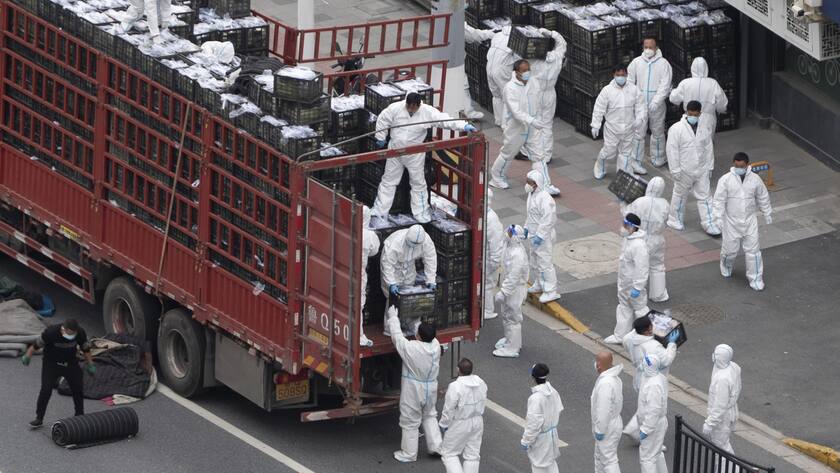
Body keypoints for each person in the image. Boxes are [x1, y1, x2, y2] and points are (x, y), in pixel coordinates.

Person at [373, 93, 476, 223]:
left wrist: (463, 125)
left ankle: (420, 213)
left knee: (418, 184)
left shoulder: (427, 112)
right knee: (388, 181)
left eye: (413, 107)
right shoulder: (395, 108)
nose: (410, 110)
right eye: (408, 107)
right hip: (395, 151)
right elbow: (383, 119)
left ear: (418, 105)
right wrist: (380, 137)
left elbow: (443, 120)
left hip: (415, 154)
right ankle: (379, 212)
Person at [488, 60, 561, 196]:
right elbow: (516, 112)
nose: (527, 73)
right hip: (516, 127)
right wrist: (532, 120)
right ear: (516, 72)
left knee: (539, 156)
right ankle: (497, 177)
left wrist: (537, 118)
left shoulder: (533, 82)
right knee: (508, 153)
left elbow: (538, 100)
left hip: (532, 127)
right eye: (524, 70)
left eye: (528, 69)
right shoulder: (510, 88)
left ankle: (545, 184)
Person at [386, 307, 442, 462]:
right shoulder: (436, 345)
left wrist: (393, 317)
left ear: (418, 336)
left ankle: (409, 454)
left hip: (414, 389)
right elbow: (425, 333)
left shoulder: (411, 348)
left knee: (410, 421)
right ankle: (436, 446)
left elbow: (397, 337)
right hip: (431, 387)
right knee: (430, 415)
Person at [713, 153, 773, 291]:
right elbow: (719, 200)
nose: (739, 168)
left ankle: (756, 279)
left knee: (753, 251)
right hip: (731, 222)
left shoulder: (755, 179)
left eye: (742, 166)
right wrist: (717, 217)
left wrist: (767, 212)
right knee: (730, 251)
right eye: (736, 166)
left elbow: (762, 196)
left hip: (749, 220)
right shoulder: (725, 180)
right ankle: (726, 265)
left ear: (747, 165)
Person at [21, 319, 95, 428]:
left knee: (78, 387)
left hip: (70, 363)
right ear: (63, 329)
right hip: (51, 363)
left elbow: (86, 349)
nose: (71, 336)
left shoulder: (80, 332)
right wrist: (28, 355)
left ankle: (79, 415)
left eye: (73, 334)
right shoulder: (51, 332)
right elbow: (37, 345)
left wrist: (90, 364)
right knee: (46, 390)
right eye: (69, 333)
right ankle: (39, 418)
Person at [665, 100, 720, 235]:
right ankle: (674, 219)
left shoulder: (704, 128)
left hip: (701, 169)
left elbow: (708, 148)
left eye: (695, 114)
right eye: (690, 114)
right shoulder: (676, 129)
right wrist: (675, 169)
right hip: (684, 170)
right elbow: (672, 150)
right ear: (686, 112)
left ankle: (709, 223)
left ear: (700, 113)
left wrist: (709, 167)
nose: (693, 116)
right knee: (680, 195)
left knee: (705, 197)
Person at [621, 316, 679, 442]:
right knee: (652, 406)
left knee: (644, 405)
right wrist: (672, 344)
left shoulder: (629, 339)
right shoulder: (653, 346)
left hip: (639, 377)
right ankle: (645, 435)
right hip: (653, 378)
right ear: (648, 329)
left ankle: (633, 430)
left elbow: (627, 339)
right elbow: (666, 360)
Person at [527, 28, 568, 195]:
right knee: (547, 125)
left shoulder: (534, 61)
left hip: (536, 94)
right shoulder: (557, 57)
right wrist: (551, 33)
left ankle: (539, 152)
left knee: (536, 124)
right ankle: (547, 153)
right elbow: (562, 43)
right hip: (550, 93)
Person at [591, 65, 646, 180]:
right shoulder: (607, 91)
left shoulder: (634, 89)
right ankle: (600, 165)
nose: (621, 77)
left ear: (627, 75)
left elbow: (641, 105)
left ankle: (623, 174)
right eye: (618, 75)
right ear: (614, 75)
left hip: (629, 127)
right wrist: (596, 124)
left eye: (623, 75)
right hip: (612, 128)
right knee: (609, 151)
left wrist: (639, 119)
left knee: (626, 153)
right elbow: (599, 108)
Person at [380, 224, 437, 335]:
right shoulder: (395, 243)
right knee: (393, 299)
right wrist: (391, 282)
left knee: (409, 296)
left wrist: (431, 279)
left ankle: (408, 324)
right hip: (394, 268)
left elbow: (430, 259)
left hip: (409, 267)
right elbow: (387, 264)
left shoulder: (426, 241)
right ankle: (390, 328)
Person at [628, 37, 672, 170]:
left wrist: (656, 101)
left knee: (657, 130)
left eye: (650, 47)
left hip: (656, 106)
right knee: (638, 132)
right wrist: (635, 99)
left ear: (656, 48)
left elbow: (665, 85)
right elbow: (629, 81)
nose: (648, 50)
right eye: (645, 47)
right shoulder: (636, 62)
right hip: (640, 104)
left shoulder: (664, 64)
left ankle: (659, 157)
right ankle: (635, 160)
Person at [623, 177, 670, 301]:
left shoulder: (639, 201)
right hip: (657, 238)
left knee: (635, 264)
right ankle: (659, 295)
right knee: (657, 265)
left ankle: (632, 290)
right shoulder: (664, 203)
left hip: (640, 237)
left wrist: (623, 204)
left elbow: (628, 216)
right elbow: (667, 221)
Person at [605, 213, 649, 345]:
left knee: (640, 309)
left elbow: (642, 268)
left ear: (631, 227)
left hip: (633, 285)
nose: (622, 227)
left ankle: (649, 334)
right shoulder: (628, 240)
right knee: (624, 308)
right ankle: (620, 336)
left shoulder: (639, 245)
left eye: (625, 225)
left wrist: (638, 287)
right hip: (625, 284)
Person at [439, 358, 488, 473]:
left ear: (457, 370)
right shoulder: (481, 382)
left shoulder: (455, 386)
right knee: (473, 455)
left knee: (449, 454)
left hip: (460, 422)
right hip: (477, 421)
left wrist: (444, 423)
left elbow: (449, 408)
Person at [669, 57, 728, 145]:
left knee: (689, 144)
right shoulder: (713, 83)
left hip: (690, 117)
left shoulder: (685, 83)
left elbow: (673, 98)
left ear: (692, 68)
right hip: (708, 119)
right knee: (707, 146)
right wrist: (721, 110)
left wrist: (672, 91)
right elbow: (722, 102)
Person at [493, 225, 530, 358]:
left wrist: (504, 292)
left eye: (510, 232)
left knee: (513, 317)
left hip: (515, 290)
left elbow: (513, 277)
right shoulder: (509, 247)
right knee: (507, 315)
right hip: (510, 289)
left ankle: (513, 348)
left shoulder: (517, 255)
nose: (507, 234)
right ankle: (509, 341)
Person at [524, 170, 561, 303]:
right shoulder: (532, 194)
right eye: (527, 181)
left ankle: (551, 290)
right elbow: (531, 215)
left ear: (536, 183)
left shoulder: (545, 198)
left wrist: (540, 235)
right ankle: (539, 283)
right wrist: (526, 228)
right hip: (534, 235)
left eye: (530, 182)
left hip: (543, 237)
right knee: (534, 261)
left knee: (545, 263)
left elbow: (549, 219)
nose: (527, 184)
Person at [521, 363, 564, 473]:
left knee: (538, 466)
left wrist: (526, 440)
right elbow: (559, 409)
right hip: (552, 434)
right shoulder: (553, 392)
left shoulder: (536, 398)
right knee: (551, 463)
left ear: (533, 377)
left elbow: (533, 424)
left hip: (541, 439)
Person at [702, 344, 742, 456]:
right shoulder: (733, 367)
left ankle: (729, 469)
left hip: (722, 417)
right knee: (723, 444)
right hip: (730, 412)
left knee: (721, 446)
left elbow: (720, 405)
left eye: (716, 354)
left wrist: (710, 423)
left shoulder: (722, 379)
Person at [591, 352, 624, 473]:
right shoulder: (614, 378)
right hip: (612, 423)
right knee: (600, 457)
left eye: (596, 361)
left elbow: (603, 409)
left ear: (599, 365)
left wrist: (600, 430)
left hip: (607, 427)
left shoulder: (605, 384)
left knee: (609, 460)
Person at [637, 353, 669, 473]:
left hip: (653, 425)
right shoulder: (658, 377)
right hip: (657, 423)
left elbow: (653, 409)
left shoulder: (653, 385)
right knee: (656, 454)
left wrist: (646, 429)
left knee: (647, 459)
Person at [486, 26, 519, 129]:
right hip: (502, 70)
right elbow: (518, 57)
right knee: (507, 96)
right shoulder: (514, 40)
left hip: (490, 66)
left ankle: (499, 120)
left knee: (496, 94)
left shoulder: (497, 36)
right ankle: (506, 124)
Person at [465, 23, 495, 121]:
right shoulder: (455, 21)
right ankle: (467, 112)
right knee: (462, 85)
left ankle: (465, 111)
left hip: (446, 57)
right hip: (453, 59)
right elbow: (472, 35)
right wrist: (490, 34)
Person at [360, 206, 380, 347]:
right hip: (359, 272)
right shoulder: (369, 236)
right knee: (358, 303)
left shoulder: (343, 229)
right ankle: (358, 335)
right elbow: (374, 251)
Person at [485, 189, 505, 321]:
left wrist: (494, 261)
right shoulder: (486, 216)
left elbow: (495, 243)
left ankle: (488, 310)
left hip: (490, 257)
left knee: (487, 284)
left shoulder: (491, 219)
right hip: (486, 256)